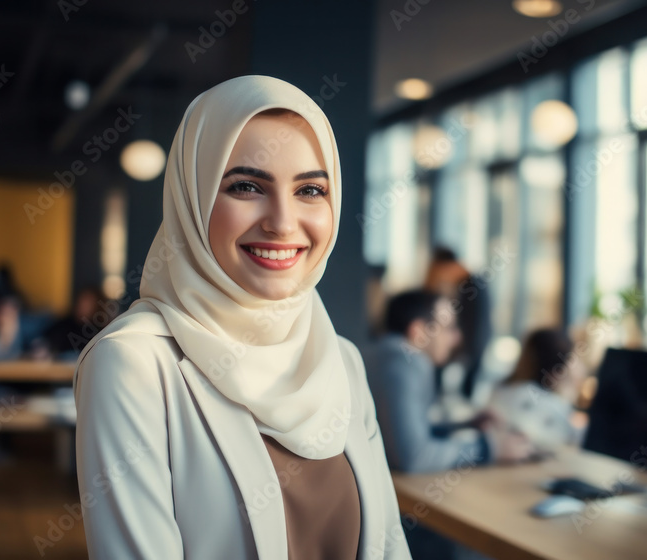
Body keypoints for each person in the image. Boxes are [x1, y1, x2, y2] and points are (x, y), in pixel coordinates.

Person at [73, 76, 411, 560]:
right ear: (193, 198)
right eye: (247, 186)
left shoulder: (341, 359)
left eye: (310, 189)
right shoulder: (132, 363)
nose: (283, 222)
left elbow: (390, 546)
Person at [365, 290, 533, 474]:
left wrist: (465, 424)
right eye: (449, 327)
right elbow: (414, 457)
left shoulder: (379, 356)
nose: (456, 338)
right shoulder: (403, 367)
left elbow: (401, 436)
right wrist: (490, 448)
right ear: (418, 331)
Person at [486, 329, 588, 452]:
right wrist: (566, 396)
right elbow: (569, 440)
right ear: (557, 372)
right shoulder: (549, 405)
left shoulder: (502, 389)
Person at [423, 246, 493, 399]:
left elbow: (479, 324)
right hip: (468, 340)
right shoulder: (461, 280)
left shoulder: (470, 283)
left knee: (467, 387)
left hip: (473, 341)